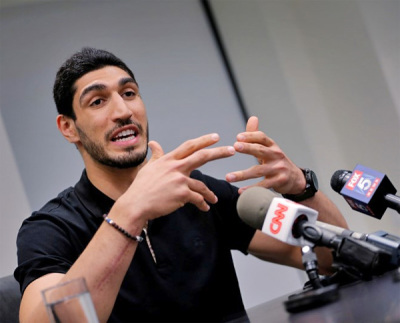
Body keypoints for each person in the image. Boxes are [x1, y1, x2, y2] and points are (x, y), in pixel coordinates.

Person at [14, 47, 348, 322]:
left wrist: (301, 188)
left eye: (129, 93)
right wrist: (132, 210)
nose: (123, 111)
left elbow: (333, 258)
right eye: (98, 101)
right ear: (68, 128)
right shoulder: (50, 228)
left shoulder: (198, 192)